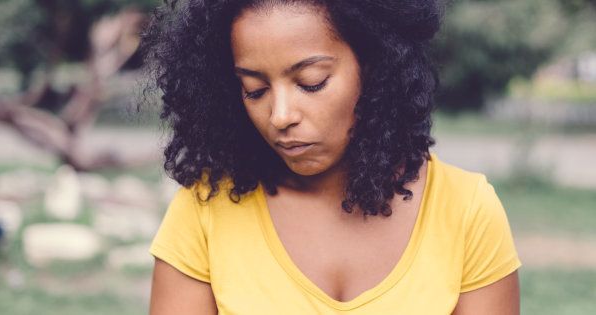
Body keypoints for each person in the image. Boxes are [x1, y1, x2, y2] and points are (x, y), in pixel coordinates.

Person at [143, 0, 522, 314]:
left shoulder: (466, 210)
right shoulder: (205, 209)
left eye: (312, 83)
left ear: (375, 65)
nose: (280, 116)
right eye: (255, 90)